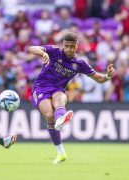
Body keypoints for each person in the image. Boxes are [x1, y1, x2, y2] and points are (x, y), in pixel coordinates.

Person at [27, 32, 115, 164]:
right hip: (41, 87)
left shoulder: (80, 63)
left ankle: (61, 119)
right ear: (63, 45)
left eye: (72, 46)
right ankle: (60, 148)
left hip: (58, 89)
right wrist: (43, 53)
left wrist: (108, 75)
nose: (68, 49)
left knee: (60, 98)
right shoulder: (54, 51)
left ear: (77, 47)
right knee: (49, 115)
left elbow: (99, 79)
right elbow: (31, 48)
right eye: (66, 46)